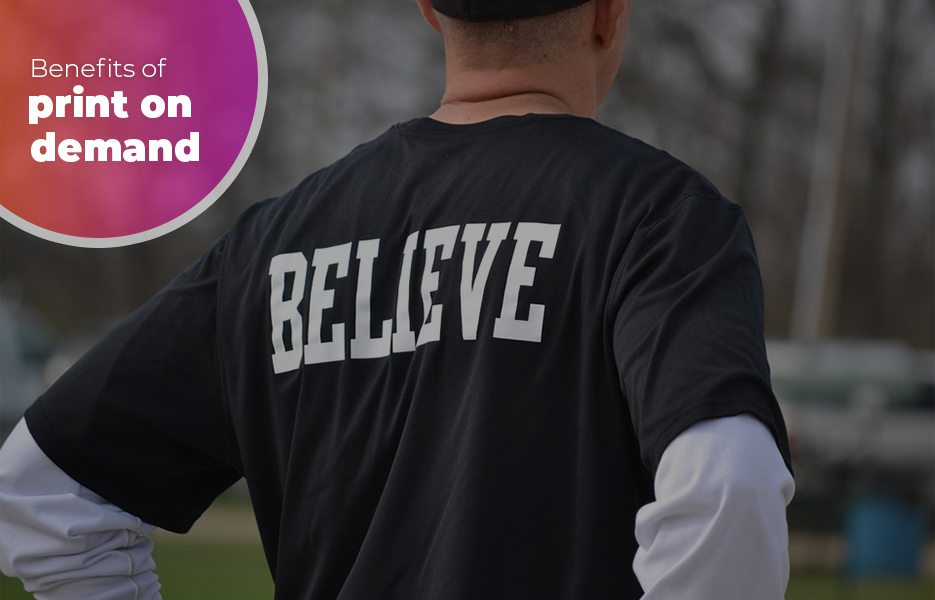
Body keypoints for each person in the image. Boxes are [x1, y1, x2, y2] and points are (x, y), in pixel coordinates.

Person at [0, 0, 795, 598]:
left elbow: (39, 490)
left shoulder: (277, 240)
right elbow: (727, 483)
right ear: (608, 13)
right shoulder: (656, 215)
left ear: (428, 9)